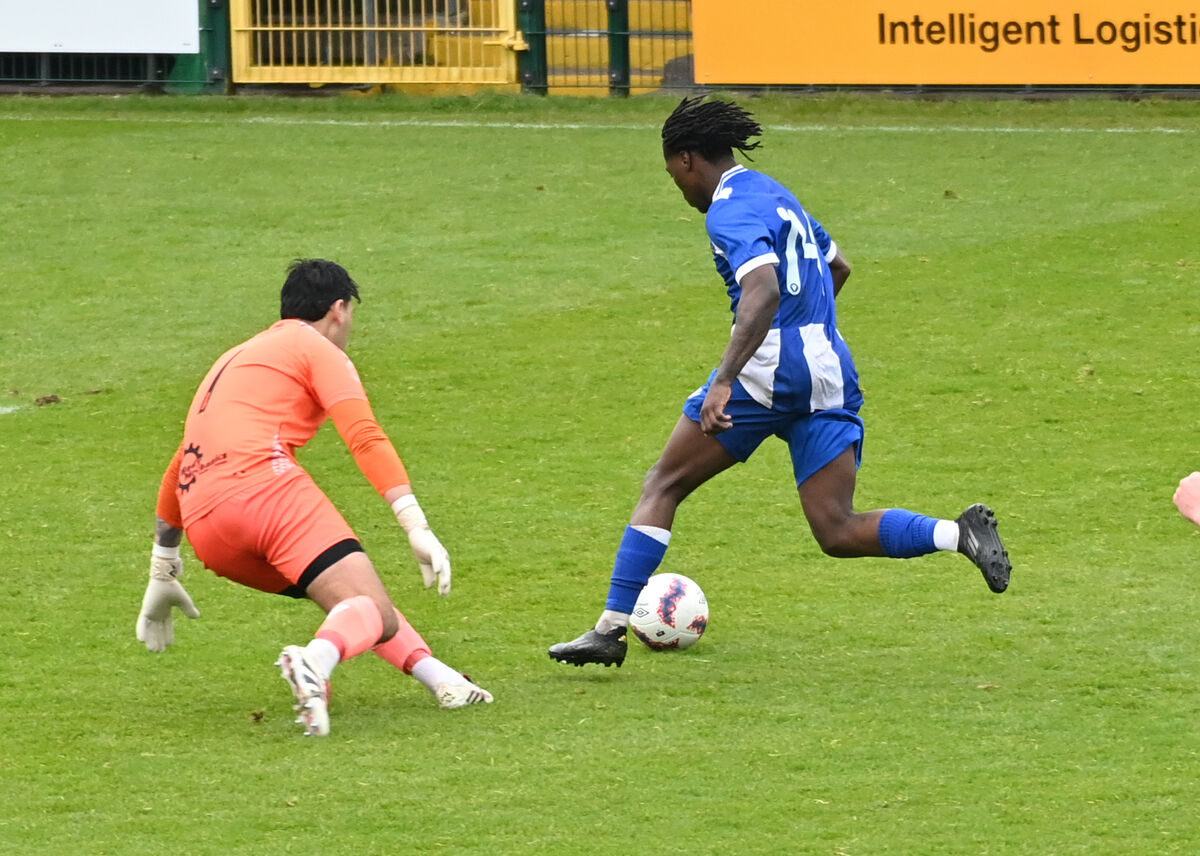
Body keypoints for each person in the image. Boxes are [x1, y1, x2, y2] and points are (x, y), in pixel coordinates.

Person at [549, 97, 1012, 668]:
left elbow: (762, 291)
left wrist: (725, 381)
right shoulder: (776, 193)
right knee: (836, 528)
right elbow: (838, 266)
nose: (678, 187)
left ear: (688, 159)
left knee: (664, 483)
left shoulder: (727, 210)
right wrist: (806, 332)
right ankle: (956, 534)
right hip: (829, 369)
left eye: (674, 173)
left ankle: (609, 629)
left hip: (767, 374)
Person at [137, 259, 492, 735]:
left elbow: (183, 459)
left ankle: (443, 681)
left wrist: (164, 567)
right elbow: (364, 436)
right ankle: (314, 664)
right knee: (366, 607)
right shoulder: (315, 347)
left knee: (355, 602)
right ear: (339, 310)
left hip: (208, 529)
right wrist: (416, 525)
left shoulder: (237, 356)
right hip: (263, 489)